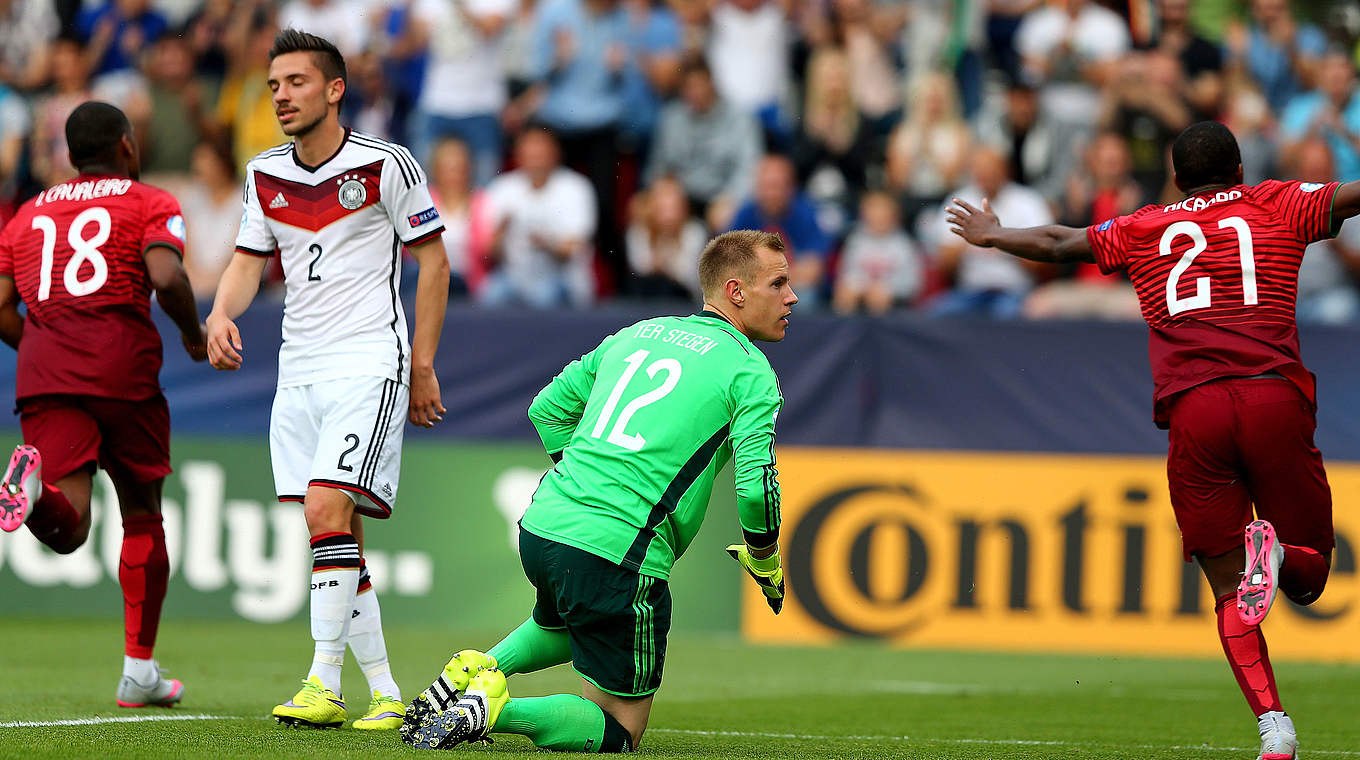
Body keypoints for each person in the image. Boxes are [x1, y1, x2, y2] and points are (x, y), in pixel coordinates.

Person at [946, 121, 1350, 760]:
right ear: (1240, 169)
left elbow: (1058, 241)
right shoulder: (1276, 203)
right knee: (1311, 579)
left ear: (1176, 176)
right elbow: (1347, 197)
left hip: (1196, 411)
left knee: (1226, 591)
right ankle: (1274, 559)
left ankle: (1275, 726)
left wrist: (993, 235)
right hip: (1273, 396)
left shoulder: (1146, 226)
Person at [398, 229, 792, 753]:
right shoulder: (750, 371)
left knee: (573, 618)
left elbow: (545, 409)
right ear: (737, 292)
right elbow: (754, 492)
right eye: (779, 283)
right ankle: (494, 708)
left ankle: (480, 669)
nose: (792, 297)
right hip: (619, 551)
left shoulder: (638, 333)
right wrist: (765, 557)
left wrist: (585, 483)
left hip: (543, 524)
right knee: (621, 727)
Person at [204, 29, 451, 731]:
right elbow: (250, 259)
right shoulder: (264, 173)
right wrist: (222, 311)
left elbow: (434, 263)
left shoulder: (385, 164)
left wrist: (422, 364)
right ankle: (387, 692)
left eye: (297, 82)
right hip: (299, 366)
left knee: (323, 510)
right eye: (274, 84)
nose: (281, 95)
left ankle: (321, 681)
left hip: (369, 360)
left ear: (335, 89)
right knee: (333, 532)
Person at [0, 101, 207, 706]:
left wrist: (44, 343)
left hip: (45, 373)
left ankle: (34, 490)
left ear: (70, 154)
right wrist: (194, 336)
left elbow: (0, 306)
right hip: (123, 371)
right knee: (142, 514)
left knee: (69, 532)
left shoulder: (26, 215)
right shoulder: (149, 202)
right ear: (126, 146)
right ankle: (138, 668)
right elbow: (166, 278)